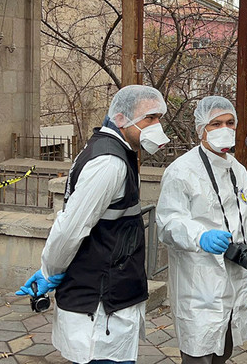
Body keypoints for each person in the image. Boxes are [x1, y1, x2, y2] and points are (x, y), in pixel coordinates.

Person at [16, 85, 169, 364]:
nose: (157, 126)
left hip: (110, 291)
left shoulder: (113, 149)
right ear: (121, 118)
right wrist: (49, 270)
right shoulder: (110, 162)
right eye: (150, 118)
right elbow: (71, 228)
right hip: (102, 302)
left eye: (159, 118)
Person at [156, 96, 247, 364]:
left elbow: (240, 224)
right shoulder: (181, 171)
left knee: (223, 350)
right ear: (200, 129)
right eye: (215, 123)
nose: (224, 128)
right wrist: (199, 236)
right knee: (199, 352)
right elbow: (168, 224)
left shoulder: (238, 170)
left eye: (229, 122)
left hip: (233, 275)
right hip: (198, 279)